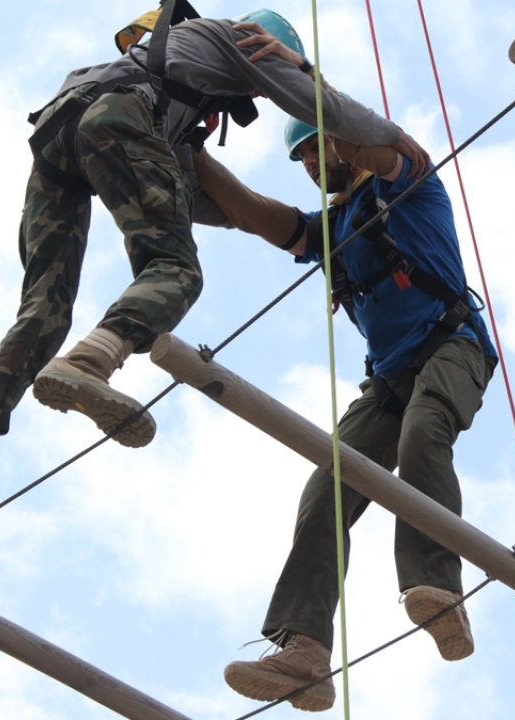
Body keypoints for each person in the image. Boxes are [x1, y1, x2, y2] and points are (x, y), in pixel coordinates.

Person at [0, 7, 430, 566]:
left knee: (43, 311)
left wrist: (234, 199)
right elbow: (317, 107)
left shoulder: (170, 88)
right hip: (113, 118)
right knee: (176, 271)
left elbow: (193, 200)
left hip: (59, 130)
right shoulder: (237, 38)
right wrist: (383, 128)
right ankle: (89, 362)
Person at [191, 109, 499, 711]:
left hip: (451, 345)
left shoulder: (407, 182)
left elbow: (378, 145)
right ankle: (304, 649)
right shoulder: (332, 227)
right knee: (325, 488)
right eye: (300, 157)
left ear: (345, 143)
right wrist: (197, 157)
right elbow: (256, 216)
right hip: (386, 380)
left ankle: (437, 588)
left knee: (424, 434)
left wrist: (302, 81)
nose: (309, 164)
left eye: (315, 148)